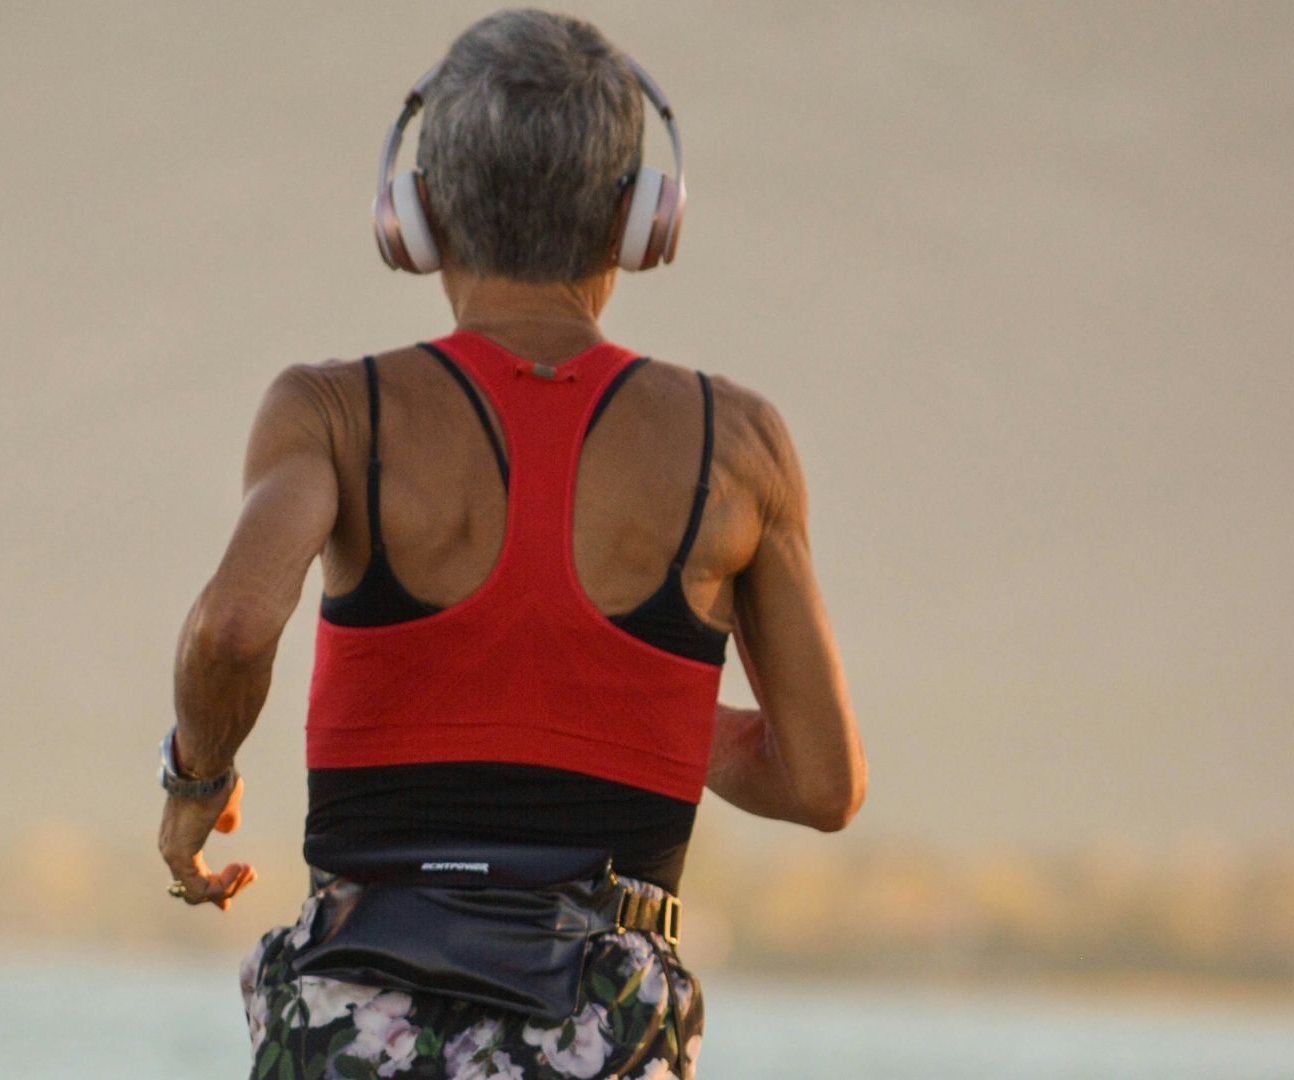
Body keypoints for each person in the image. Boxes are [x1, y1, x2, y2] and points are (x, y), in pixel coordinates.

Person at [155, 10, 865, 1078]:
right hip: (597, 1019)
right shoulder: (736, 446)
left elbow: (233, 627)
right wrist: (635, 703)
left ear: (419, 211)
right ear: (638, 218)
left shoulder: (332, 416)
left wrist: (195, 780)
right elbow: (821, 782)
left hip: (358, 1000)